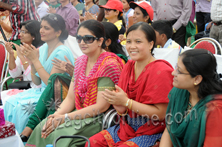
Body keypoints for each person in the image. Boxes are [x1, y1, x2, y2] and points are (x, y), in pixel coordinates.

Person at [25, 19, 124, 147]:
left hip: (97, 118)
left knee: (60, 134)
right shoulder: (81, 62)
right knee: (43, 126)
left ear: (100, 41)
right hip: (79, 111)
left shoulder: (108, 65)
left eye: (88, 38)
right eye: (79, 38)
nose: (82, 42)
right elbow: (70, 98)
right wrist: (56, 116)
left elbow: (101, 106)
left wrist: (65, 118)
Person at [87, 22, 174, 147]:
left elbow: (161, 114)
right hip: (126, 126)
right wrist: (116, 102)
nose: (132, 46)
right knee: (92, 143)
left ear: (151, 44)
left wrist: (126, 102)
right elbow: (123, 109)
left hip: (153, 130)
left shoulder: (161, 71)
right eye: (128, 42)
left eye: (138, 42)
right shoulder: (129, 66)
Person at [3, 14, 75, 135]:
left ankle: (25, 140)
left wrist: (35, 61)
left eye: (46, 28)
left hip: (53, 95)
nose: (41, 30)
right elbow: (36, 82)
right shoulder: (43, 48)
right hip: (39, 91)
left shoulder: (61, 52)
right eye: (41, 27)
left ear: (58, 32)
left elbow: (50, 84)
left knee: (21, 109)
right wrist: (32, 63)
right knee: (10, 102)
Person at [159, 49, 222, 147]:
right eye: (176, 67)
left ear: (197, 79)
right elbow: (169, 130)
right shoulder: (180, 92)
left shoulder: (215, 109)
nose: (173, 73)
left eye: (179, 71)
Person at [1, 20, 44, 105]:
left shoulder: (40, 51)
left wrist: (21, 57)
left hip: (38, 90)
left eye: (24, 32)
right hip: (27, 88)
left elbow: (32, 78)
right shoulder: (23, 49)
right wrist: (11, 54)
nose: (20, 35)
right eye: (20, 31)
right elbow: (14, 74)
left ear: (33, 35)